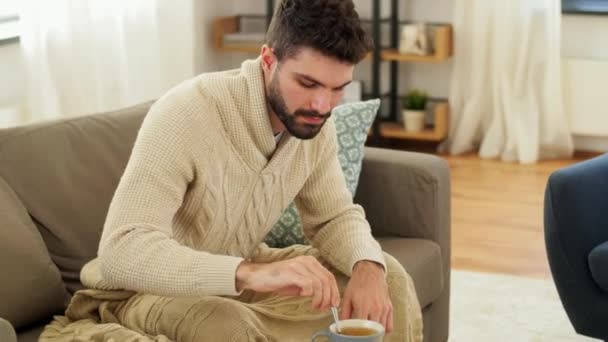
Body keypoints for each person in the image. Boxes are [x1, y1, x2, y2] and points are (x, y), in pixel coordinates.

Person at [42, 0, 422, 341]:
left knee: (390, 280)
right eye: (307, 83)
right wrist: (247, 273)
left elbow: (333, 217)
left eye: (338, 88)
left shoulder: (314, 127)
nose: (322, 105)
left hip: (237, 274)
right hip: (137, 293)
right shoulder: (187, 113)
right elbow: (121, 251)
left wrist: (367, 265)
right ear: (268, 60)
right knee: (226, 324)